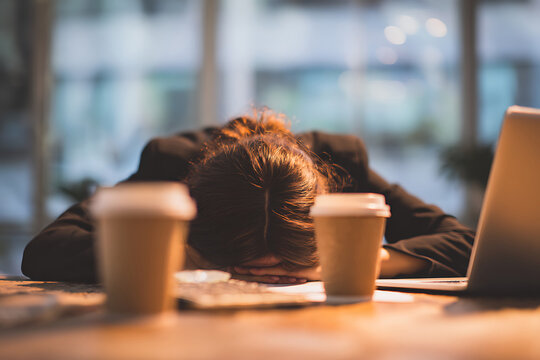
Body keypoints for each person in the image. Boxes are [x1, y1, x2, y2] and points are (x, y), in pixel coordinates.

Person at [21, 110, 475, 284]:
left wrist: (358, 258)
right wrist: (180, 255)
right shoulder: (170, 164)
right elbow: (47, 247)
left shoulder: (343, 161)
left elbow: (471, 242)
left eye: (288, 271)